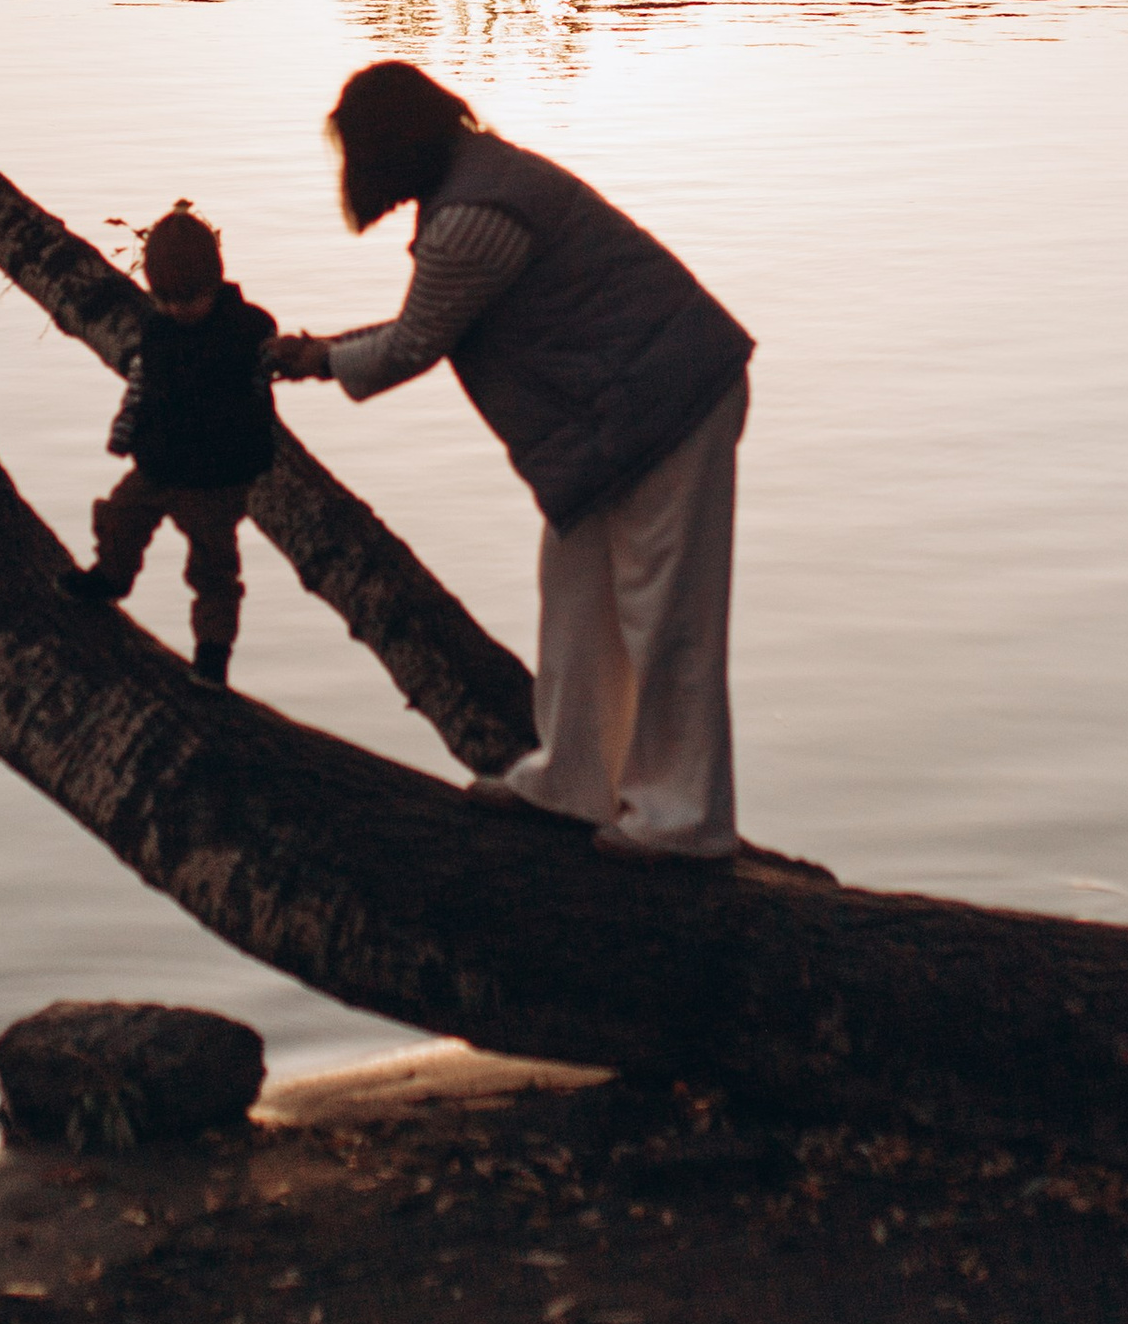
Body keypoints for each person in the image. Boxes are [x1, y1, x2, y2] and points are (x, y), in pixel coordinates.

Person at [269, 63, 752, 859]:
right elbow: (420, 323)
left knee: (670, 615)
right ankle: (573, 781)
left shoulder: (473, 218)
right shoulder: (478, 184)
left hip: (669, 405)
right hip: (609, 422)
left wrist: (316, 360)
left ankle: (685, 819)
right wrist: (319, 353)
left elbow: (413, 343)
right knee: (577, 599)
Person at [72, 205, 277, 688]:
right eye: (166, 300)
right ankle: (111, 575)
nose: (178, 310)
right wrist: (124, 430)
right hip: (159, 463)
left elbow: (261, 380)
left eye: (189, 299)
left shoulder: (245, 331)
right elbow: (141, 382)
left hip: (217, 476)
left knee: (213, 569)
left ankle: (212, 653)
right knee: (121, 515)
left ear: (214, 283)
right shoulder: (157, 330)